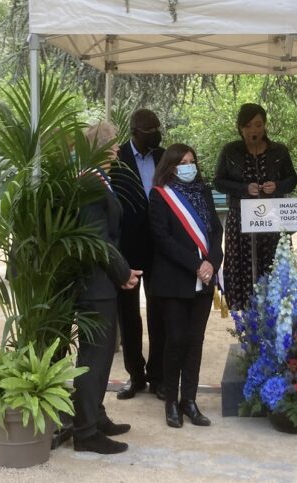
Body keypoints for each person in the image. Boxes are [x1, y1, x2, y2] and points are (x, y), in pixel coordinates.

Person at [70, 121, 143, 454]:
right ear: (97, 147)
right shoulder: (89, 181)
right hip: (95, 283)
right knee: (94, 358)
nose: (117, 149)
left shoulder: (98, 178)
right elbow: (95, 239)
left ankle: (95, 416)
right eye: (112, 143)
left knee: (98, 357)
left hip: (101, 281)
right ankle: (84, 432)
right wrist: (122, 272)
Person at [147, 143, 223, 428]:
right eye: (182, 162)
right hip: (174, 281)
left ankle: (189, 400)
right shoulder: (159, 196)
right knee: (175, 340)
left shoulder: (203, 192)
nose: (189, 166)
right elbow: (162, 238)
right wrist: (196, 264)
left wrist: (212, 262)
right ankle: (170, 402)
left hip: (203, 280)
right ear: (170, 166)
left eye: (192, 161)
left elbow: (216, 230)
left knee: (195, 341)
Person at [214, 103, 297, 310]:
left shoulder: (278, 150)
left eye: (259, 125)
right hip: (241, 218)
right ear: (240, 128)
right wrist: (244, 188)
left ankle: (276, 309)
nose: (254, 130)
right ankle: (245, 316)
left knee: (272, 264)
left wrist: (277, 186)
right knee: (242, 268)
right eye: (249, 126)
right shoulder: (230, 150)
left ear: (265, 126)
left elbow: (292, 179)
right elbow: (218, 181)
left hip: (273, 218)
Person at [111, 109, 167, 400]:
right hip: (128, 247)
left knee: (159, 311)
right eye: (150, 130)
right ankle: (136, 375)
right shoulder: (116, 157)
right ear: (134, 130)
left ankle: (158, 376)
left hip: (159, 247)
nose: (156, 133)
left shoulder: (163, 156)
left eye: (157, 128)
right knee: (128, 314)